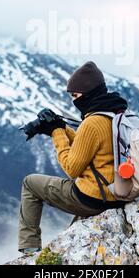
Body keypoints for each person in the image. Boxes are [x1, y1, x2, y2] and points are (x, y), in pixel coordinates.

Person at [18, 61, 128, 254]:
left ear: (88, 93)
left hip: (93, 198)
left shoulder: (92, 122)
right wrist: (60, 127)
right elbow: (87, 145)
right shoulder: (114, 114)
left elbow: (71, 168)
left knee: (30, 183)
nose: (74, 101)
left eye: (76, 96)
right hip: (118, 193)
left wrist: (56, 133)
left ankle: (29, 247)